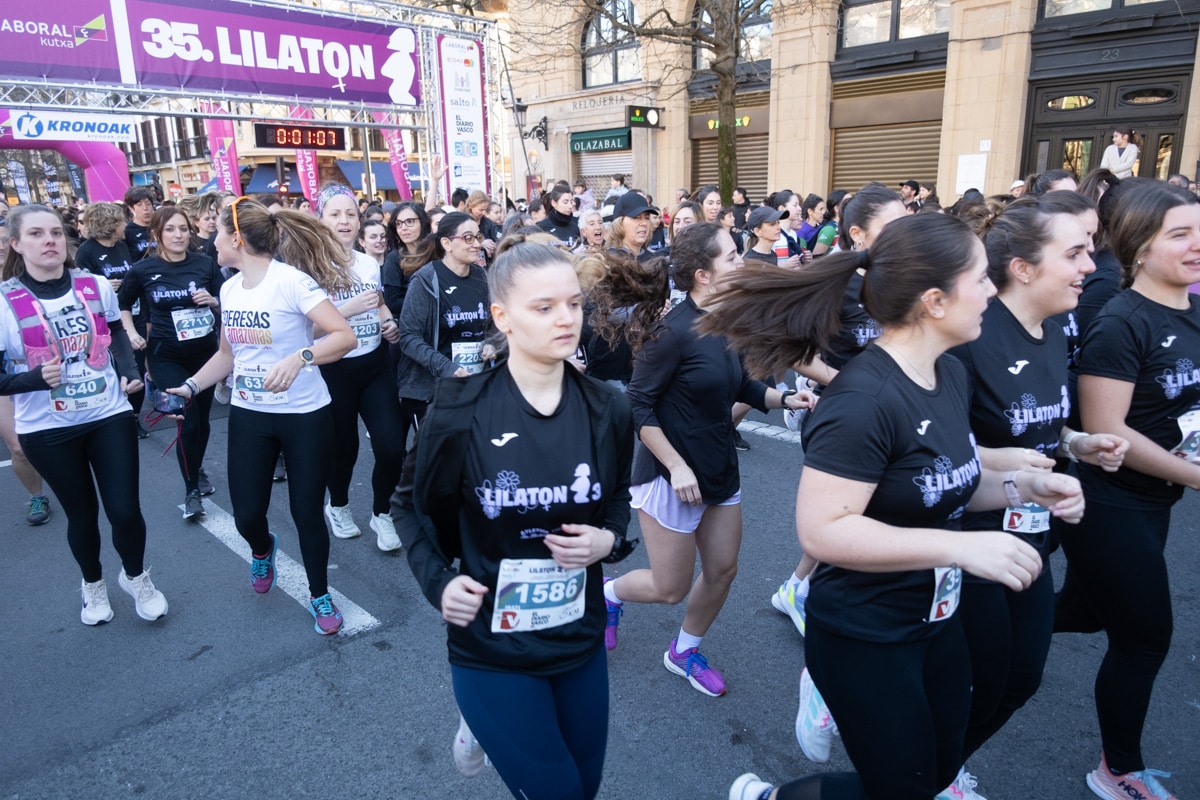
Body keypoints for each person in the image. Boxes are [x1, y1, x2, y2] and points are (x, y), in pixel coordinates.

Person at [706, 212, 1084, 800]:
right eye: (981, 279)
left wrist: (1020, 488)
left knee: (937, 772)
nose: (992, 292)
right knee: (904, 788)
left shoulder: (949, 374)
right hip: (865, 632)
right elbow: (823, 532)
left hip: (936, 618)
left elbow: (946, 484)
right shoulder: (863, 400)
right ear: (935, 301)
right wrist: (961, 547)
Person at [392, 237, 636, 800]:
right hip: (491, 648)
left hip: (577, 637)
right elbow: (407, 505)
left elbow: (618, 498)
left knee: (585, 788)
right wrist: (439, 582)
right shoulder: (458, 408)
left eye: (573, 304)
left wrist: (609, 540)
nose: (566, 319)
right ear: (501, 317)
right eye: (544, 307)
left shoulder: (608, 407)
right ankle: (482, 717)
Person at [947, 195, 1128, 797]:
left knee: (1021, 679)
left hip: (1030, 535)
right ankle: (916, 767)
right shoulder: (970, 334)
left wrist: (1078, 444)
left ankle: (938, 768)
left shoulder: (1051, 335)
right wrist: (1008, 466)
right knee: (978, 680)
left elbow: (1039, 425)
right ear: (1022, 268)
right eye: (1074, 253)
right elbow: (927, 450)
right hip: (967, 539)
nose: (1091, 266)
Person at [594, 223, 815, 697]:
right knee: (668, 587)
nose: (741, 261)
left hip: (718, 468)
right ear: (703, 275)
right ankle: (609, 595)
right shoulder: (670, 333)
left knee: (722, 570)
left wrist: (783, 398)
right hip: (669, 475)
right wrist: (676, 466)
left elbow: (741, 385)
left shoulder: (727, 321)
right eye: (732, 256)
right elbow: (638, 405)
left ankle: (684, 650)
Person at [1061, 181, 1197, 800]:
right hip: (1108, 501)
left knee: (1085, 613)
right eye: (1180, 234)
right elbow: (1106, 428)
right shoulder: (1121, 321)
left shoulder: (1193, 309)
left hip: (1155, 500)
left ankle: (956, 636)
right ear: (1140, 247)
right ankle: (1117, 771)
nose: (1197, 245)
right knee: (1143, 639)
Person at [166, 197, 357, 635]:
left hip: (304, 415)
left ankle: (320, 594)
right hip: (250, 414)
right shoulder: (229, 289)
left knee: (306, 511)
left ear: (236, 238)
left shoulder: (291, 282)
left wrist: (301, 357)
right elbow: (227, 354)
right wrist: (191, 387)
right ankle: (262, 547)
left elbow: (343, 336)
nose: (211, 241)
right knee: (246, 515)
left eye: (217, 233)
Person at [0, 204, 166, 625]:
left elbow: (115, 333)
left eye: (56, 232)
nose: (49, 241)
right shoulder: (4, 302)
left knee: (124, 509)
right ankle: (93, 584)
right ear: (16, 244)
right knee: (82, 514)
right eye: (36, 234)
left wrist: (130, 373)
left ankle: (136, 577)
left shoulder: (94, 285)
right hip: (47, 427)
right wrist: (32, 379)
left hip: (107, 413)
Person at [771, 183, 906, 633]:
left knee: (860, 514)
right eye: (892, 226)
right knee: (844, 517)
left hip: (892, 415)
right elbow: (788, 347)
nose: (903, 234)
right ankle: (805, 593)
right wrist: (841, 381)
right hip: (842, 416)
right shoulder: (835, 281)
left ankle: (800, 587)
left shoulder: (903, 280)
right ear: (858, 234)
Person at [313, 184, 405, 551]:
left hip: (374, 365)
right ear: (321, 219)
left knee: (392, 446)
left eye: (350, 213)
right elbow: (306, 329)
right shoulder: (309, 266)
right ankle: (337, 505)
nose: (344, 221)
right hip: (333, 370)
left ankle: (382, 513)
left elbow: (377, 302)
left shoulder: (368, 263)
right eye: (335, 214)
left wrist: (388, 321)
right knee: (344, 449)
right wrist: (346, 311)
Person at [118, 206, 224, 518]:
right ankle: (192, 491)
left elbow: (228, 301)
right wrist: (131, 333)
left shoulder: (204, 264)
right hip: (166, 355)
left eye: (183, 229)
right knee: (187, 420)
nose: (178, 235)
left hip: (205, 355)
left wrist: (214, 301)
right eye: (170, 229)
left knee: (201, 421)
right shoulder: (143, 269)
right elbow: (122, 305)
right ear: (157, 234)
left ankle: (196, 467)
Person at [395, 212, 491, 434]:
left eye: (478, 236)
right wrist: (448, 368)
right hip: (431, 391)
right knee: (439, 454)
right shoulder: (426, 280)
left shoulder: (482, 277)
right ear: (447, 243)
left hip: (473, 386)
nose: (477, 244)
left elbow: (495, 325)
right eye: (468, 238)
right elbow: (408, 337)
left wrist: (493, 344)